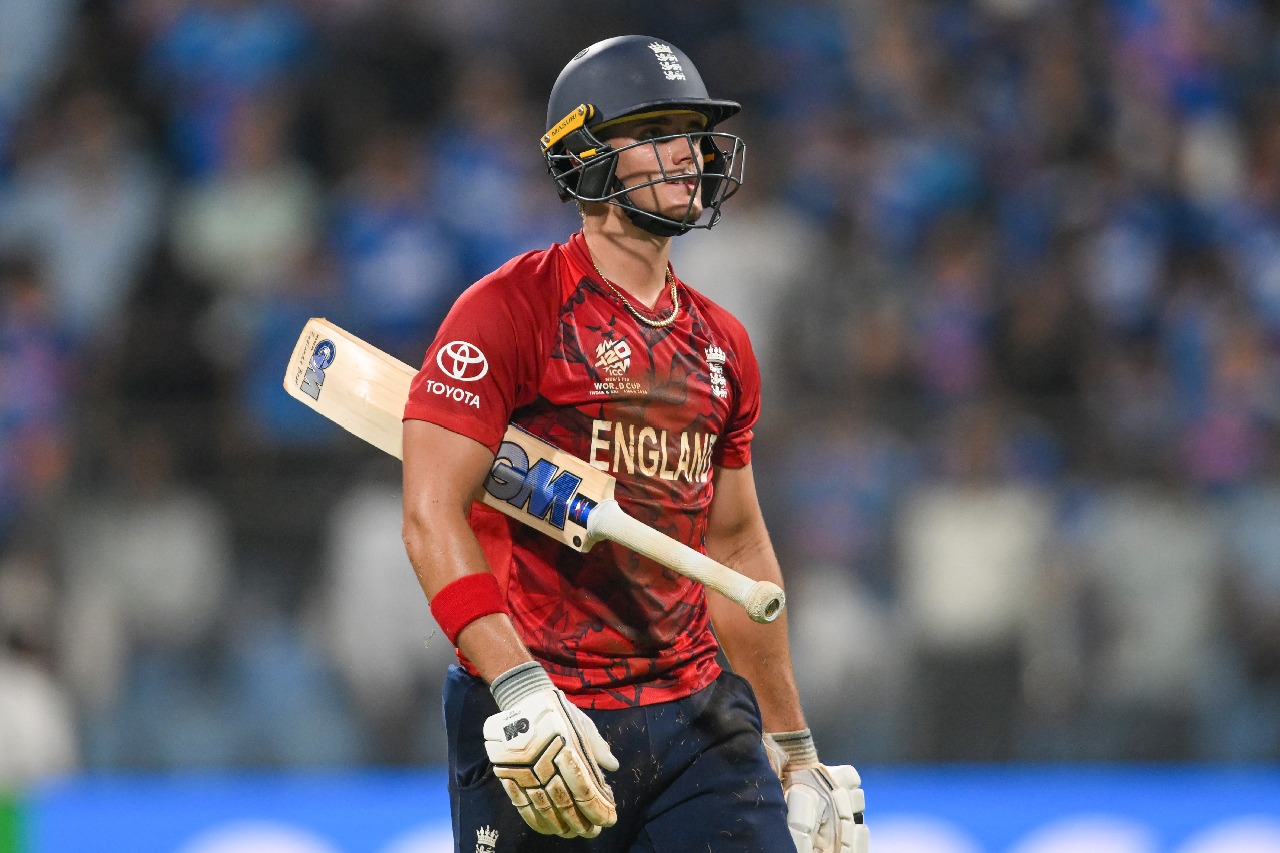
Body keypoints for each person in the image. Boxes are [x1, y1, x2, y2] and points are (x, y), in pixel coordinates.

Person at [401, 35, 869, 853]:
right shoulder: (508, 310)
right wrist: (518, 683)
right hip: (541, 715)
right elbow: (429, 513)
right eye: (656, 133)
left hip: (699, 713)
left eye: (693, 133)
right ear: (584, 157)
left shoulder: (724, 344)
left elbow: (735, 548)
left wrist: (795, 748)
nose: (688, 154)